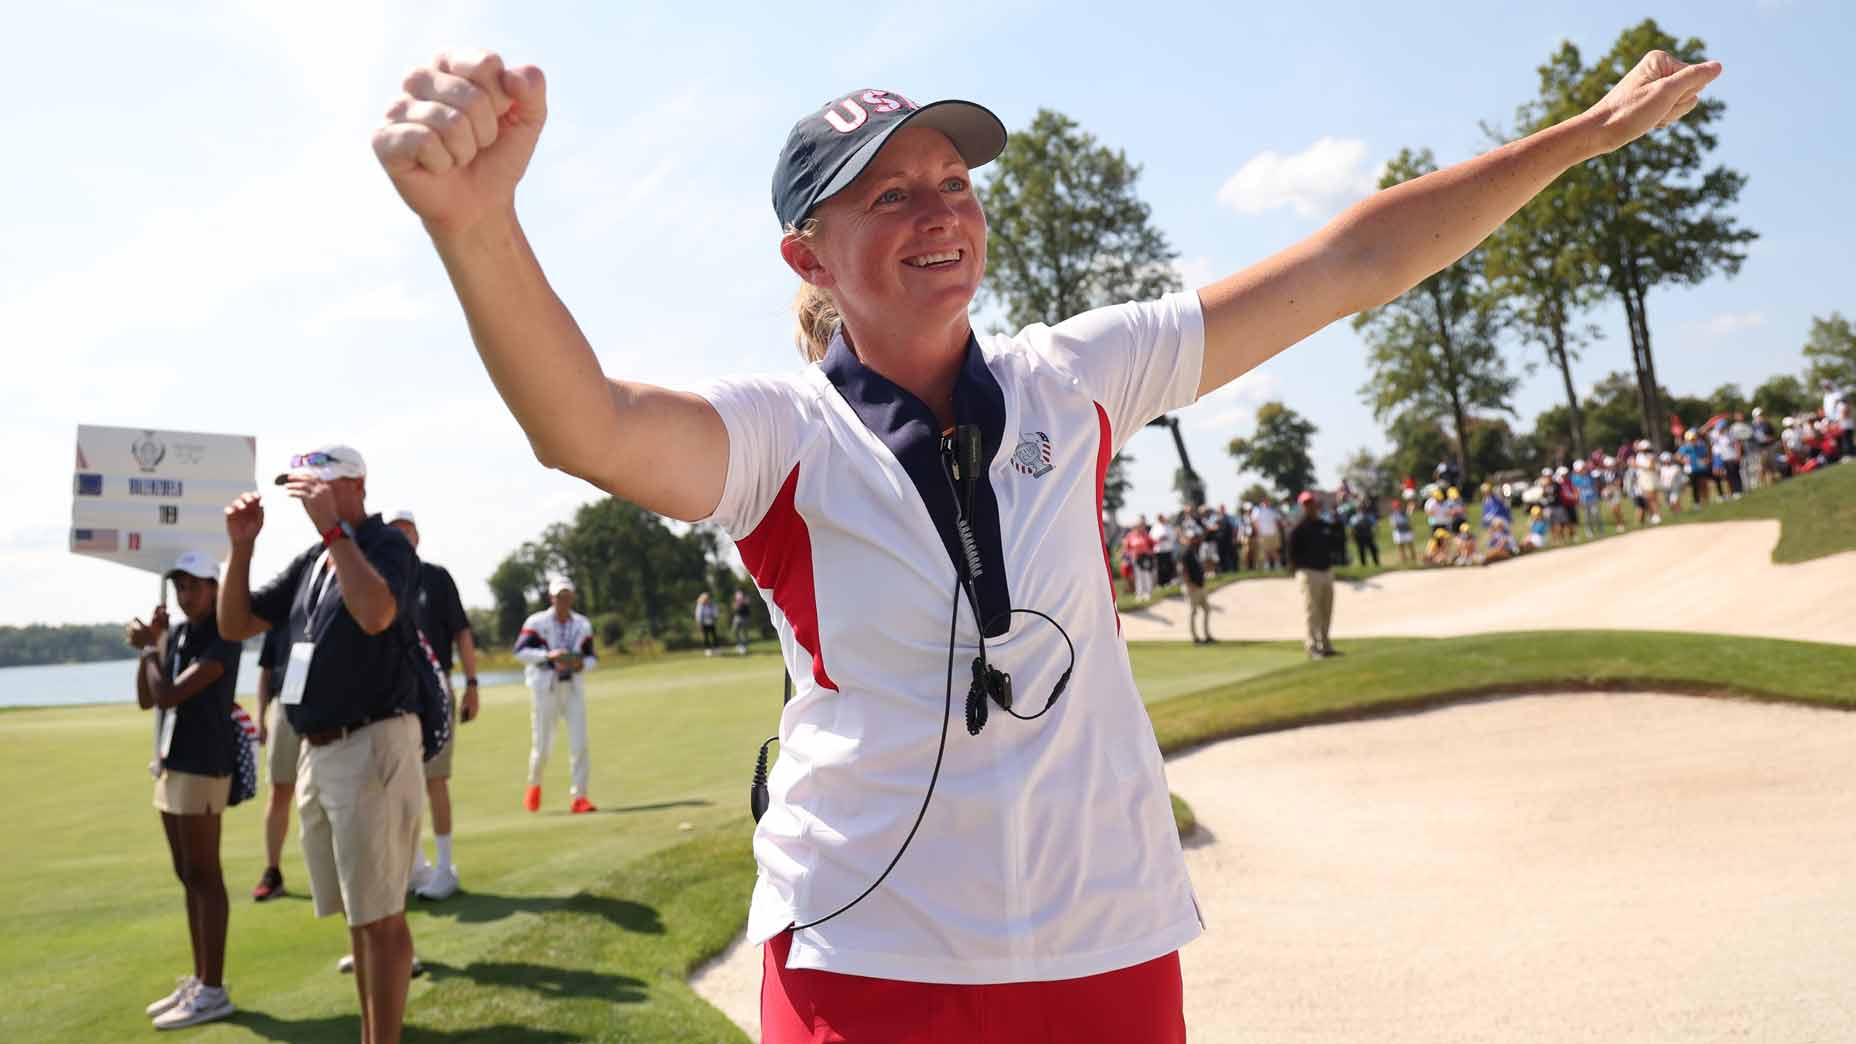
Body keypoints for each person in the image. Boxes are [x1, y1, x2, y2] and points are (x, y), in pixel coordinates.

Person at [373, 44, 1717, 1040]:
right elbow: (589, 426)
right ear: (809, 258)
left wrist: (1579, 138)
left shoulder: (1076, 375)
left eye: (953, 182)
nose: (939, 212)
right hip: (870, 959)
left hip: (1105, 944)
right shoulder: (783, 436)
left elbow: (1348, 266)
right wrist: (478, 228)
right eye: (887, 196)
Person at [217, 446, 423, 1044]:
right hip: (320, 750)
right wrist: (241, 547)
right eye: (302, 485)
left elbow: (376, 613)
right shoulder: (314, 560)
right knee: (359, 917)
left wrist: (334, 530)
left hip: (373, 744)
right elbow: (235, 624)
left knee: (381, 918)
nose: (306, 493)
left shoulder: (385, 546)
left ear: (355, 484)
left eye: (320, 484)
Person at [134, 550, 241, 1030]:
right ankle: (200, 981)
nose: (185, 594)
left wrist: (148, 650)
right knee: (186, 873)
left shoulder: (224, 634)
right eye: (180, 585)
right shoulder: (178, 634)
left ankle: (214, 990)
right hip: (172, 762)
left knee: (204, 874)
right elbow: (147, 698)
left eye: (195, 585)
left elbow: (170, 693)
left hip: (204, 763)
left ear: (215, 588)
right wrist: (154, 646)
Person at [388, 510, 480, 902]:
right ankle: (415, 867)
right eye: (395, 532)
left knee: (435, 778)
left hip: (434, 687)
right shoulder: (380, 580)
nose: (401, 538)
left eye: (407, 532)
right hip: (394, 692)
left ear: (418, 537)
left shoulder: (436, 578)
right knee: (400, 784)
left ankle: (444, 868)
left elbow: (462, 633)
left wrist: (472, 684)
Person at [515, 579, 599, 814]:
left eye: (567, 596)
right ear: (551, 598)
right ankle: (534, 785)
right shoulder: (536, 622)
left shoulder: (582, 624)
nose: (563, 600)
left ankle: (580, 797)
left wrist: (581, 664)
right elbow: (520, 652)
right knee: (542, 747)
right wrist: (548, 656)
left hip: (572, 688)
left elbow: (592, 657)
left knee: (579, 743)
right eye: (559, 596)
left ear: (572, 597)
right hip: (545, 689)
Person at [250, 623, 298, 902]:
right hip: (285, 703)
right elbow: (266, 670)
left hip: (330, 706)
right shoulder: (279, 612)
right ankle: (273, 871)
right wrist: (259, 716)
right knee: (280, 789)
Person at [1288, 492, 1337, 659]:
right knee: (1312, 611)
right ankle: (1312, 646)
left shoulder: (1323, 525)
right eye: (1306, 504)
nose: (1309, 507)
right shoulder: (1298, 528)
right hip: (1309, 572)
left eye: (1311, 503)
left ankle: (1325, 644)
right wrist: (1298, 570)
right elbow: (1292, 553)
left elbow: (1335, 542)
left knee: (1326, 610)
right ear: (1302, 507)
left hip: (1326, 571)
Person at [1178, 529, 1213, 645]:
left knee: (1207, 609)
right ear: (1188, 539)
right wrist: (1189, 584)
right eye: (1193, 538)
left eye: (1195, 538)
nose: (1195, 540)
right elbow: (1183, 570)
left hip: (1200, 585)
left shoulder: (1194, 550)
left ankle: (1207, 635)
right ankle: (1195, 637)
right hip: (1192, 587)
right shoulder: (1186, 552)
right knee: (1193, 612)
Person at [1389, 497, 1416, 565]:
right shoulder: (1393, 515)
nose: (1398, 507)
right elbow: (1393, 525)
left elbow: (1410, 514)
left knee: (1410, 545)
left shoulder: (1405, 513)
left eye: (1398, 506)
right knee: (1401, 547)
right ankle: (1404, 561)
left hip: (1407, 531)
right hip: (1399, 532)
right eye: (1396, 507)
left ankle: (1414, 560)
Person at [696, 591, 720, 656]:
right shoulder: (700, 605)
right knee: (706, 637)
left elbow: (715, 613)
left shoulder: (712, 605)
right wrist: (699, 624)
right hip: (703, 623)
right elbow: (698, 615)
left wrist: (714, 619)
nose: (706, 600)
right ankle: (708, 650)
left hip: (712, 622)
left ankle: (716, 649)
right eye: (705, 598)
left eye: (707, 598)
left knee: (714, 636)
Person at [731, 587, 754, 654]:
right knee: (735, 631)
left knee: (744, 632)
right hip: (737, 616)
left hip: (744, 617)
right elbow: (734, 607)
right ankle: (740, 645)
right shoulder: (736, 599)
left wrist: (742, 601)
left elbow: (747, 604)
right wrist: (736, 604)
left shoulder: (746, 598)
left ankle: (744, 647)